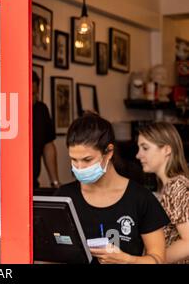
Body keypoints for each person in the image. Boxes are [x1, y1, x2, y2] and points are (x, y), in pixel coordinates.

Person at [55, 113, 169, 264]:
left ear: (109, 152)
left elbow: (158, 259)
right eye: (74, 160)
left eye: (87, 160)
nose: (79, 168)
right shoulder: (64, 198)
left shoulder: (140, 198)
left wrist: (127, 260)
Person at [136, 122, 189, 264]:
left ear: (166, 149)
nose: (138, 155)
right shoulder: (168, 186)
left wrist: (154, 260)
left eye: (145, 148)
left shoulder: (176, 187)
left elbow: (188, 243)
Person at [32, 71, 60, 189]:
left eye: (33, 94)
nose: (30, 98)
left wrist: (55, 183)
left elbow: (48, 145)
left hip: (32, 184)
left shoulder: (41, 109)